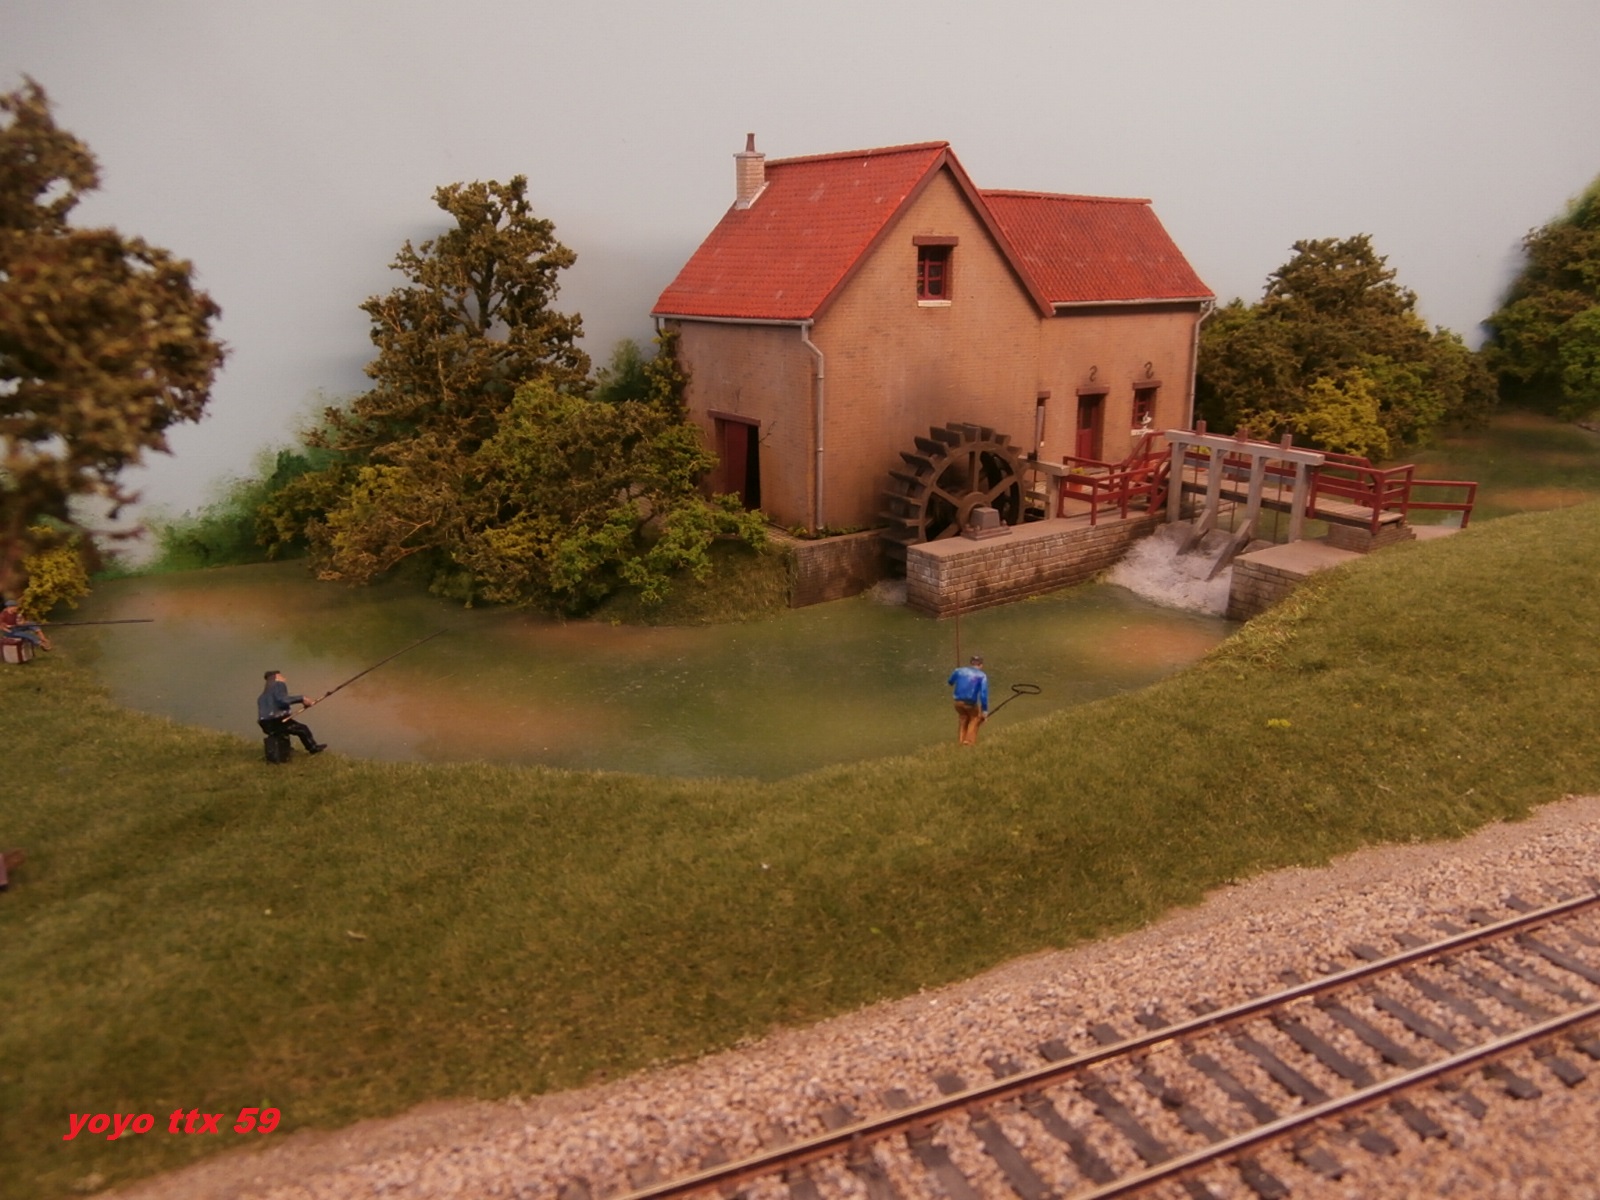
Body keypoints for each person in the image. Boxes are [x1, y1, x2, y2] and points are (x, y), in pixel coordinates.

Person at [257, 670, 326, 754]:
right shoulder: (278, 684)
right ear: (276, 677)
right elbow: (283, 700)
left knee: (280, 735)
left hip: (264, 723)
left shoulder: (264, 695)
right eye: (281, 676)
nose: (284, 679)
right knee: (302, 729)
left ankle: (284, 751)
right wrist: (302, 698)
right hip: (277, 721)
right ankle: (313, 748)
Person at [948, 653, 989, 746]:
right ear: (981, 665)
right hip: (970, 703)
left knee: (963, 718)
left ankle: (961, 742)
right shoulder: (982, 676)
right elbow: (983, 694)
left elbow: (950, 682)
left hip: (958, 703)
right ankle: (968, 741)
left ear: (971, 663)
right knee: (975, 718)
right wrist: (985, 710)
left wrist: (956, 673)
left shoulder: (959, 671)